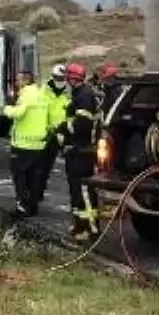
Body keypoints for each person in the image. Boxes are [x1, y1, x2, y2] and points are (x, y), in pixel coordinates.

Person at [62, 63, 104, 242]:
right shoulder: (81, 94)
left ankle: (91, 229)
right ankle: (79, 225)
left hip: (83, 151)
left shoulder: (84, 96)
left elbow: (82, 124)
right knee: (76, 191)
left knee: (84, 192)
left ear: (72, 79)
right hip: (77, 150)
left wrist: (64, 128)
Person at [3, 69, 50, 218]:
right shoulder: (41, 93)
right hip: (39, 143)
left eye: (18, 80)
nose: (16, 83)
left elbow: (19, 113)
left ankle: (22, 207)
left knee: (20, 176)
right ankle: (33, 206)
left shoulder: (25, 94)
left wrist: (7, 108)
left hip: (23, 144)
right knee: (34, 177)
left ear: (25, 81)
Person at [38, 64, 71, 194]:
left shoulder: (69, 91)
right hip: (49, 133)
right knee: (42, 167)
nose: (59, 81)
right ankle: (38, 193)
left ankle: (76, 201)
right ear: (52, 77)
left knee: (73, 170)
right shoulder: (44, 90)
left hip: (65, 132)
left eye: (62, 78)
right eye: (57, 78)